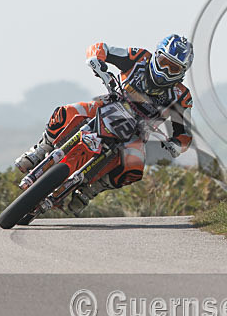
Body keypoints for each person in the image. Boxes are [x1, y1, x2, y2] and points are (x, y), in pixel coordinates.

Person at [14, 34, 194, 214]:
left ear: (182, 72)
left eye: (173, 69)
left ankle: (91, 190)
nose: (166, 71)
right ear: (156, 55)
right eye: (164, 62)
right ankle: (41, 148)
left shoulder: (182, 96)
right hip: (108, 105)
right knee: (67, 111)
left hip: (136, 133)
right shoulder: (138, 57)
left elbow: (185, 132)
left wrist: (176, 144)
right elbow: (100, 49)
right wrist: (97, 62)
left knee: (134, 168)